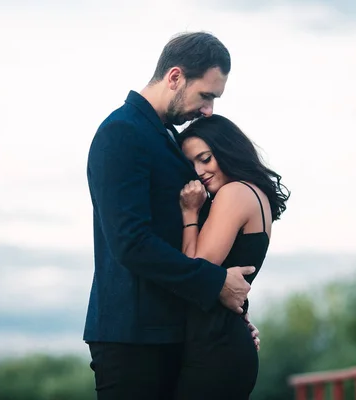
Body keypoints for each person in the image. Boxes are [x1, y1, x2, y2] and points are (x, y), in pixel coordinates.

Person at [84, 32, 258, 400]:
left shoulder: (164, 137)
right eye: (206, 96)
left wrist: (227, 316)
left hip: (173, 333)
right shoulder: (121, 133)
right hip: (133, 338)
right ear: (175, 77)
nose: (209, 110)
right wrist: (214, 285)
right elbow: (131, 244)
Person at [174, 115, 289, 399]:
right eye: (192, 164)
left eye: (205, 158)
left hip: (216, 349)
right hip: (226, 342)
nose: (199, 171)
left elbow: (195, 270)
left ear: (226, 150)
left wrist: (189, 213)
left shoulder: (234, 193)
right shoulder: (255, 194)